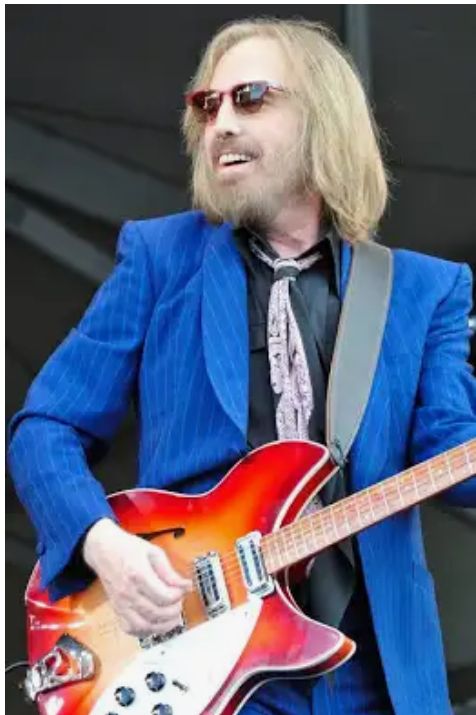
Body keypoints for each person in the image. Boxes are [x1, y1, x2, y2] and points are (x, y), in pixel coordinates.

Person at [8, 17, 476, 715]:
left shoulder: (424, 290)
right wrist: (103, 544)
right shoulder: (162, 259)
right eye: (208, 105)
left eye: (251, 97)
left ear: (322, 117)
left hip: (372, 672)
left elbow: (452, 453)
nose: (221, 122)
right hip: (192, 657)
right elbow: (45, 428)